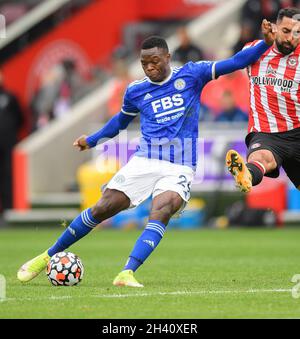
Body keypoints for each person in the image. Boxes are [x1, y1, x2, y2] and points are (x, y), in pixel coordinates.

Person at [17, 21, 275, 287]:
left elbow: (235, 61)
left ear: (167, 57)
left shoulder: (192, 75)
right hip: (145, 160)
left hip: (180, 165)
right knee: (102, 207)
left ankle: (126, 272)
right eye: (144, 64)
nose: (150, 68)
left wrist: (266, 43)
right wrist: (92, 140)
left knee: (162, 209)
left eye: (154, 61)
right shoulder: (136, 91)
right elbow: (120, 122)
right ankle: (46, 257)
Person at [226, 8, 300, 194]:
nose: (291, 38)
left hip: (298, 131)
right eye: (285, 31)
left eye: (297, 33)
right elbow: (233, 63)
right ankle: (246, 175)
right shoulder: (253, 51)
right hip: (267, 133)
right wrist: (265, 43)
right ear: (274, 28)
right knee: (262, 158)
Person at [0, 71, 24, 213]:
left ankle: (8, 209)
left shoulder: (10, 97)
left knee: (8, 175)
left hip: (8, 143)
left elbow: (20, 118)